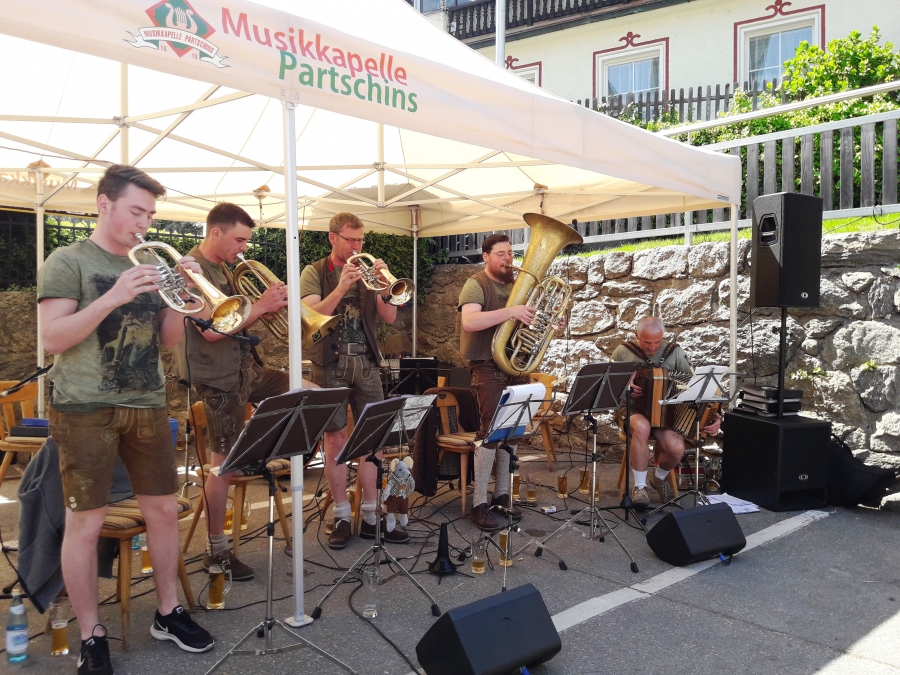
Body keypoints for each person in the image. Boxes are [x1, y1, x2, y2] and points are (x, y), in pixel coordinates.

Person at [38, 165, 214, 675]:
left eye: (150, 214)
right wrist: (115, 294)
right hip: (83, 407)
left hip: (147, 402)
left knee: (162, 511)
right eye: (137, 211)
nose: (145, 223)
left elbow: (167, 341)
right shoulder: (67, 260)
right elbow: (53, 338)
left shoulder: (153, 264)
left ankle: (167, 612)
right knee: (86, 521)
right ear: (104, 204)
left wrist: (182, 299)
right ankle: (91, 634)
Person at [173, 202, 315, 580]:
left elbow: (239, 318)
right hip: (219, 379)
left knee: (312, 394)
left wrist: (268, 308)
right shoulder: (189, 270)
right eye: (239, 240)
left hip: (247, 369)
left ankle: (261, 451)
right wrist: (261, 305)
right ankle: (216, 550)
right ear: (215, 232)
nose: (244, 248)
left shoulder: (224, 268)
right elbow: (210, 331)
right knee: (222, 464)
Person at [300, 212, 403, 549]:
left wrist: (385, 287)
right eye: (351, 239)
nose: (357, 246)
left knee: (373, 440)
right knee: (336, 440)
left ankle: (372, 516)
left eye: (361, 239)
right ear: (333, 238)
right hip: (330, 363)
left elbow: (389, 316)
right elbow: (311, 316)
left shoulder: (370, 273)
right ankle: (342, 515)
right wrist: (342, 285)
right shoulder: (314, 272)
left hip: (368, 362)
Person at [458, 233, 538, 531]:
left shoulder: (519, 285)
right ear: (486, 256)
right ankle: (479, 502)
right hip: (487, 365)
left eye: (510, 253)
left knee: (513, 431)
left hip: (516, 364)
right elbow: (470, 322)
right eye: (501, 254)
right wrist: (511, 311)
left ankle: (502, 494)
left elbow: (527, 321)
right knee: (491, 431)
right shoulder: (476, 284)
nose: (508, 259)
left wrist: (546, 321)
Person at [611, 316, 721, 509]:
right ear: (637, 335)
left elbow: (696, 388)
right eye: (647, 342)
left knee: (676, 447)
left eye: (657, 342)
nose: (653, 347)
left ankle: (659, 478)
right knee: (642, 427)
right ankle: (640, 487)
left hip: (666, 415)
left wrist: (716, 416)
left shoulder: (675, 352)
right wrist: (624, 386)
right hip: (631, 409)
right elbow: (608, 388)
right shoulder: (622, 351)